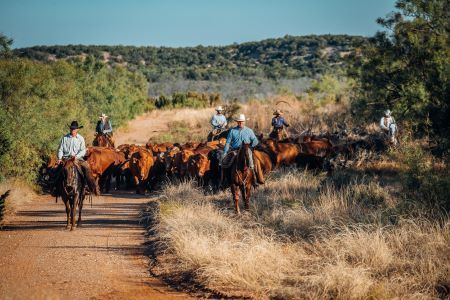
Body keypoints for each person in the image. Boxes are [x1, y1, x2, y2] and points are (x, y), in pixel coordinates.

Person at [56, 121, 99, 195]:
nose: (72, 130)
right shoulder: (65, 138)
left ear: (77, 130)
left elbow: (83, 150)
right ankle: (55, 188)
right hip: (66, 159)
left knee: (86, 168)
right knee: (56, 171)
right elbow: (60, 149)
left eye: (74, 129)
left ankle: (88, 187)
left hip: (77, 159)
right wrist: (60, 158)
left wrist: (76, 156)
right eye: (71, 129)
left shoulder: (80, 138)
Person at [222, 114, 259, 186]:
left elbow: (255, 140)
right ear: (237, 122)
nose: (240, 123)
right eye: (239, 122)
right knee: (225, 161)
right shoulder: (232, 131)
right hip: (235, 150)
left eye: (242, 121)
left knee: (251, 161)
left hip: (246, 149)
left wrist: (250, 147)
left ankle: (254, 179)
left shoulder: (249, 131)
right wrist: (225, 152)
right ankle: (225, 180)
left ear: (244, 122)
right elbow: (228, 142)